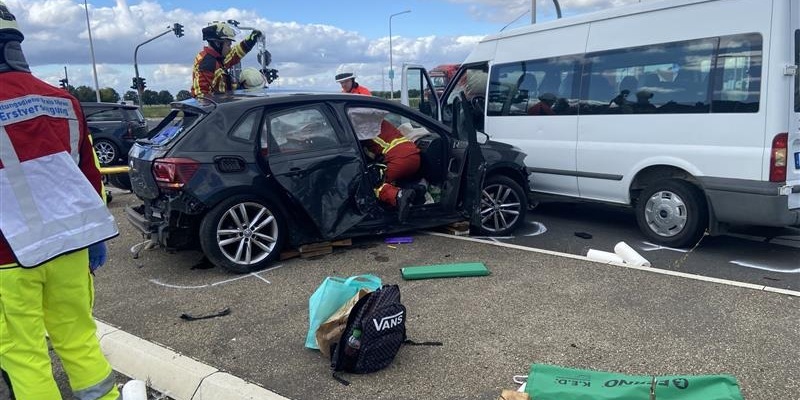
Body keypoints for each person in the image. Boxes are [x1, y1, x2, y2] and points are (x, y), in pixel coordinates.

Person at [0, 2, 120, 399]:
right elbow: (88, 175)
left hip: (7, 259)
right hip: (70, 246)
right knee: (79, 338)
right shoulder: (63, 101)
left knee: (23, 353)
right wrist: (94, 237)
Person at [349, 108, 419, 221]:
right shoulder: (378, 123)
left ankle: (398, 195)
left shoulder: (361, 130)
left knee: (369, 183)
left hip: (398, 159)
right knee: (383, 176)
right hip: (413, 155)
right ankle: (416, 191)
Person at [191, 21, 262, 97]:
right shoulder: (207, 63)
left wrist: (251, 40)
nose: (230, 48)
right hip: (219, 106)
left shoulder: (217, 58)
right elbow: (201, 96)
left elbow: (235, 54)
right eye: (228, 45)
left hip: (224, 103)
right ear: (218, 44)